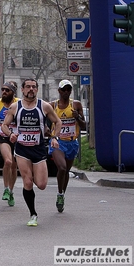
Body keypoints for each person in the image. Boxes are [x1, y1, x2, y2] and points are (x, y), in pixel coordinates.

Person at [1, 78, 61, 226]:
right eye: (28, 87)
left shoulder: (44, 106)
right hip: (22, 149)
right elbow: (4, 125)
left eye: (34, 87)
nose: (31, 89)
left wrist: (55, 137)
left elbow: (58, 122)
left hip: (38, 148)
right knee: (27, 182)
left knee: (41, 184)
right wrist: (10, 134)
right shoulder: (16, 107)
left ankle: (35, 174)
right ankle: (33, 214)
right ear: (22, 90)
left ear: (37, 90)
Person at [49, 80, 86, 213]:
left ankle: (62, 194)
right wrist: (48, 132)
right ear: (59, 91)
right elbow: (42, 120)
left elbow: (84, 126)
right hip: (58, 142)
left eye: (68, 90)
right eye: (63, 90)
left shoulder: (75, 105)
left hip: (72, 142)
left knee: (66, 171)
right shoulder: (52, 105)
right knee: (62, 168)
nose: (66, 92)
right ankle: (59, 194)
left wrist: (77, 118)